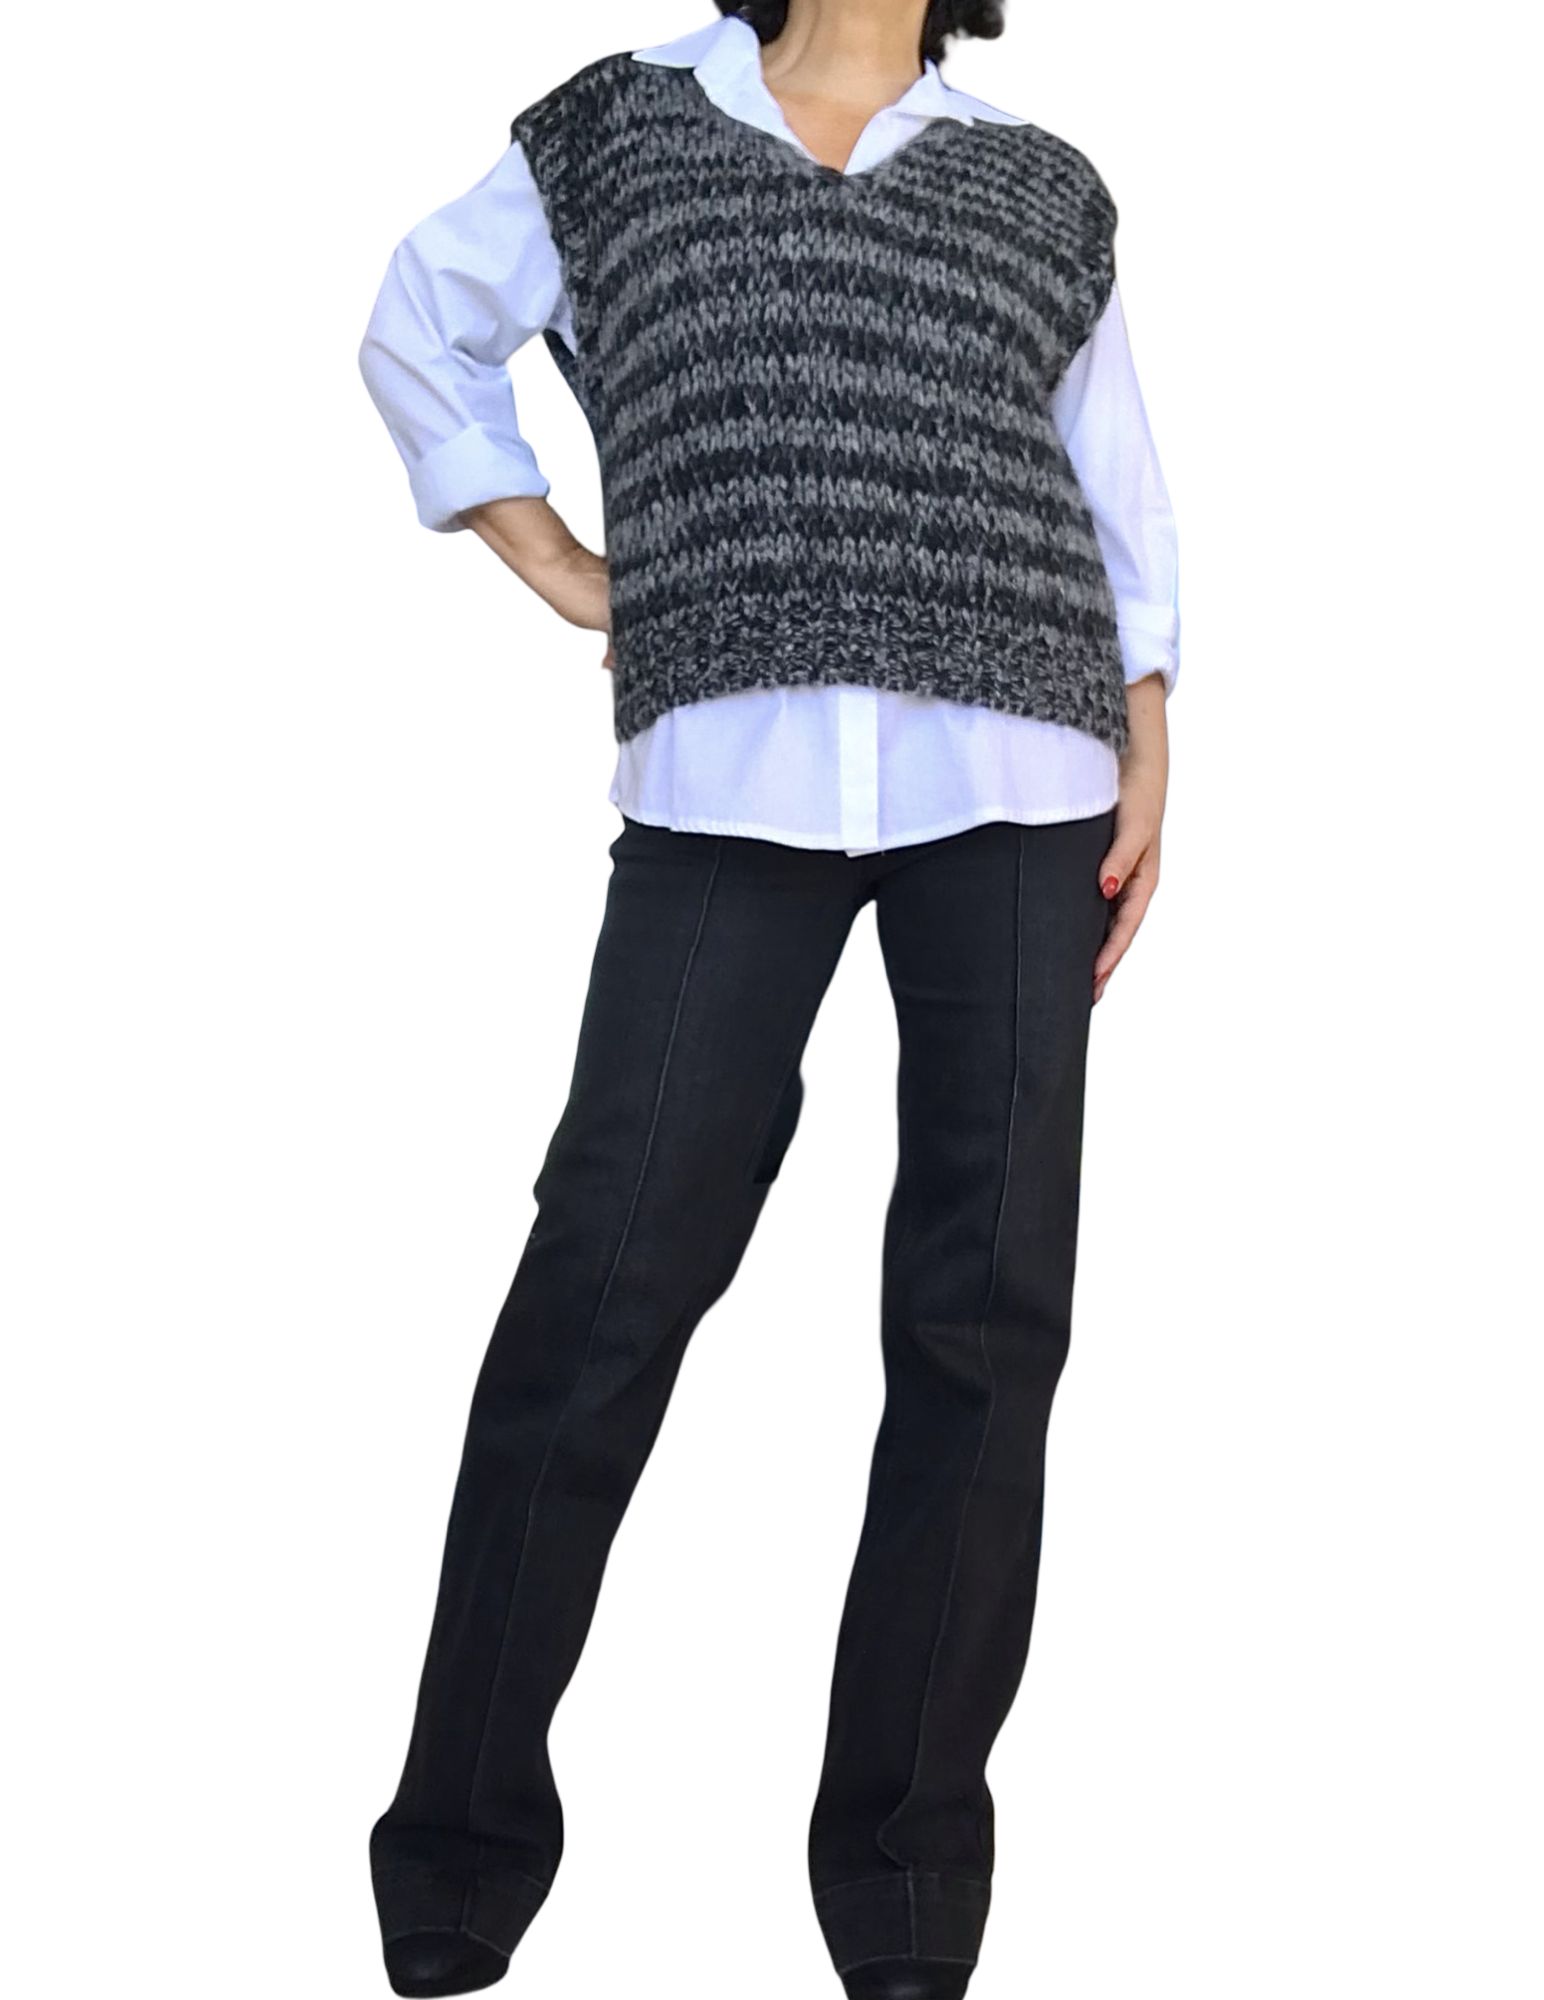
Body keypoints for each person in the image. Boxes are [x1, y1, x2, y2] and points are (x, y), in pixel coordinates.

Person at [355, 2, 1178, 1994]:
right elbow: (417, 322)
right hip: (726, 773)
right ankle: (458, 1842)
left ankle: (904, 1880)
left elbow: (1114, 487)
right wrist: (555, 556)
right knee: (604, 1272)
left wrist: (1151, 729)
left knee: (985, 1317)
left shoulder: (1037, 183)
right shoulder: (619, 132)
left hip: (1023, 774)